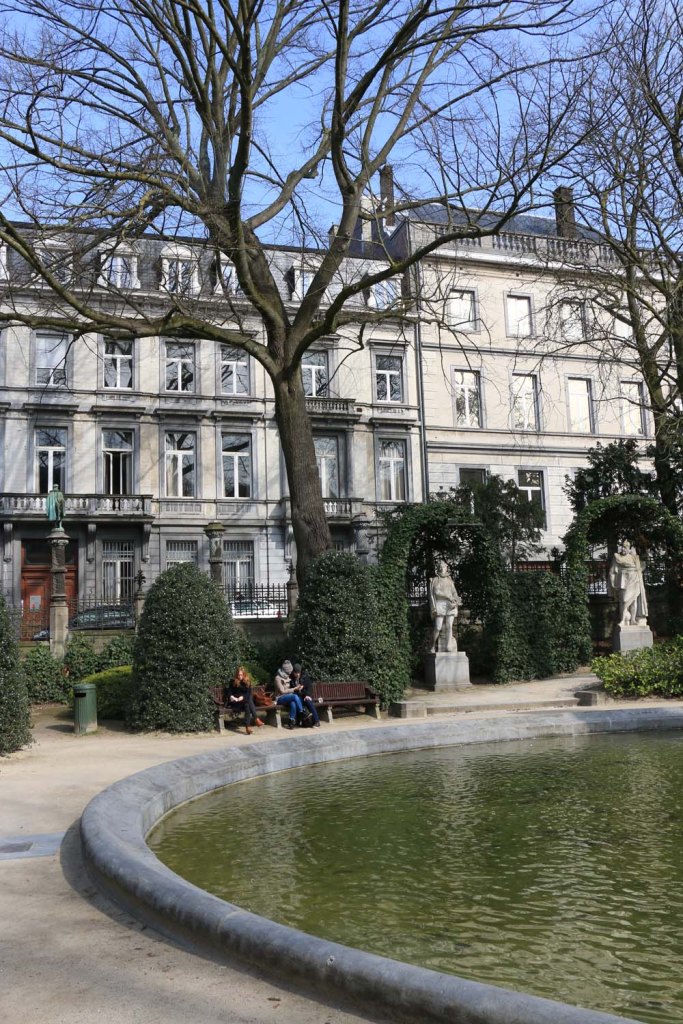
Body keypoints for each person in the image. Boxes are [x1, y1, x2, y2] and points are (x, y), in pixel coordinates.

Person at [609, 540, 649, 627]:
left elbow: (640, 568)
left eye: (625, 547)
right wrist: (612, 582)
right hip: (624, 581)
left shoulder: (634, 557)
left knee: (634, 601)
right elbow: (612, 571)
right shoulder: (617, 557)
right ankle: (623, 620)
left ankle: (633, 620)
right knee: (624, 600)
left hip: (634, 579)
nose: (623, 549)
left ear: (629, 549)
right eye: (622, 547)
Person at [428, 560, 462, 653]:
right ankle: (432, 646)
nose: (443, 568)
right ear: (439, 568)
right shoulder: (435, 580)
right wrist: (448, 596)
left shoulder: (449, 580)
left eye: (445, 567)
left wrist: (456, 598)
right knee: (438, 627)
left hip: (450, 604)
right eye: (442, 567)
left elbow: (454, 591)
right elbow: (436, 592)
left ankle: (448, 646)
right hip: (440, 603)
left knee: (449, 626)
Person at [227, 666, 265, 735]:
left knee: (247, 704)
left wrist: (242, 697)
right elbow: (229, 692)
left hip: (244, 701)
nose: (239, 676)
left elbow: (249, 693)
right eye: (238, 675)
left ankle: (248, 727)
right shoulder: (233, 681)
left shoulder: (247, 681)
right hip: (236, 702)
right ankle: (256, 719)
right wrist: (232, 697)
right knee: (248, 700)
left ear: (244, 674)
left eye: (241, 675)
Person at [273, 660, 304, 729]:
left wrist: (298, 687)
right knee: (294, 696)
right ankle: (301, 712)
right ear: (285, 671)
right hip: (280, 698)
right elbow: (282, 691)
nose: (290, 673)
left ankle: (291, 721)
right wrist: (294, 689)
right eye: (288, 672)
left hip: (288, 697)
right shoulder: (277, 678)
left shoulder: (288, 677)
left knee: (293, 703)